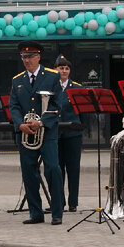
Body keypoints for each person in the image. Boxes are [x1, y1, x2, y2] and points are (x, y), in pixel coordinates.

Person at [9, 42, 67, 225]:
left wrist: (41, 122)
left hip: (47, 133)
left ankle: (57, 212)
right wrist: (19, 124)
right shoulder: (17, 80)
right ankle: (36, 213)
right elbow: (14, 106)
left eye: (31, 56)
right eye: (24, 57)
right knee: (29, 172)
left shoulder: (52, 76)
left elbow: (59, 105)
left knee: (53, 170)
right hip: (25, 134)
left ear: (39, 57)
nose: (27, 60)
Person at [54, 55, 85, 212]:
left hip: (73, 135)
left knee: (73, 169)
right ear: (55, 69)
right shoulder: (51, 86)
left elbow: (84, 114)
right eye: (61, 68)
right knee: (57, 169)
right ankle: (59, 202)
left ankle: (73, 202)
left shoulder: (77, 88)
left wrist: (81, 128)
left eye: (66, 68)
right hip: (56, 134)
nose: (63, 71)